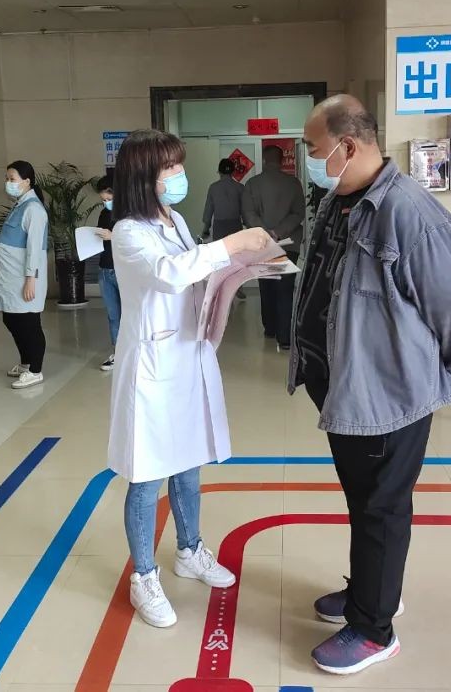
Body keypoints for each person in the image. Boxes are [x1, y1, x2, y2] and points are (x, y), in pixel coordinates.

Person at [288, 96, 451, 675]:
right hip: (346, 387)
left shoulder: (409, 211)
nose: (310, 158)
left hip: (390, 390)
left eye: (314, 148)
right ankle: (371, 593)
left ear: (347, 146)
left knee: (381, 505)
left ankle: (374, 630)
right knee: (363, 499)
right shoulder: (340, 201)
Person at [108, 128, 272, 628]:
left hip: (186, 354)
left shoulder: (174, 219)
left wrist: (238, 268)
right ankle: (143, 576)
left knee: (187, 463)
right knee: (146, 473)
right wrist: (230, 245)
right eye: (170, 168)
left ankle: (190, 549)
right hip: (152, 365)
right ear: (144, 175)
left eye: (179, 165)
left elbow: (194, 272)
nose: (180, 175)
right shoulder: (128, 230)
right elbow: (170, 272)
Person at [242, 144, 306, 350]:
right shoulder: (293, 183)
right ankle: (284, 337)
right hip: (289, 245)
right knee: (285, 289)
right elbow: (298, 213)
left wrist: (266, 233)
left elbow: (248, 213)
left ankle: (270, 328)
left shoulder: (252, 184)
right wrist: (278, 231)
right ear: (282, 161)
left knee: (267, 285)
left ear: (263, 160)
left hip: (263, 245)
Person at [0, 161, 49, 390]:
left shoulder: (34, 210)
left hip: (24, 278)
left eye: (12, 179)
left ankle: (35, 370)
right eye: (7, 179)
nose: (8, 183)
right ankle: (26, 362)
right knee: (11, 318)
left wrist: (30, 280)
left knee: (29, 324)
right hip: (11, 278)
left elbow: (34, 249)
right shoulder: (20, 205)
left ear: (27, 181)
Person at [94, 176, 121, 372]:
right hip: (105, 268)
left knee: (129, 313)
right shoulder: (104, 214)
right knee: (113, 315)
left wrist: (113, 236)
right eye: (103, 200)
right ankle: (117, 352)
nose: (106, 203)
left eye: (108, 199)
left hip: (122, 269)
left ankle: (132, 352)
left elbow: (133, 240)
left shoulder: (129, 215)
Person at [202, 159, 244, 241]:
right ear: (233, 172)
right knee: (237, 248)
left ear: (219, 172)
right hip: (235, 225)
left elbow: (208, 210)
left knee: (221, 248)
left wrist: (206, 229)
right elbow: (245, 209)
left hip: (219, 226)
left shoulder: (213, 188)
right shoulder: (240, 187)